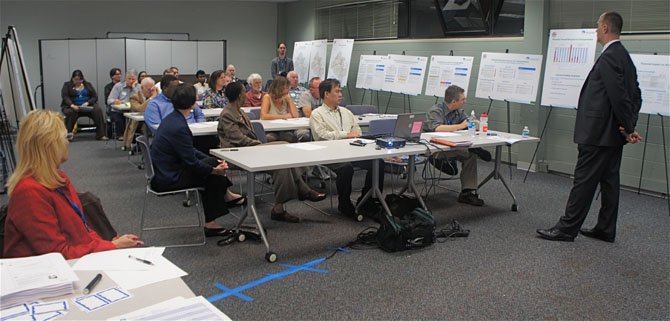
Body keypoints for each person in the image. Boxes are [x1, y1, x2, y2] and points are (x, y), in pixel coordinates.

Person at [537, 12, 642, 243]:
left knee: (583, 181)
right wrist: (627, 127)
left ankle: (566, 229)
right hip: (612, 135)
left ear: (605, 28)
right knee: (609, 182)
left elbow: (619, 97)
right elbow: (635, 95)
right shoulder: (623, 56)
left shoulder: (610, 57)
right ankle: (605, 228)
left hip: (597, 134)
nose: (595, 30)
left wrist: (628, 125)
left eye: (597, 26)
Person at [3, 110, 143, 259]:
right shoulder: (29, 192)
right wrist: (111, 246)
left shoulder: (58, 179)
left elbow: (83, 231)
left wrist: (106, 244)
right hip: (46, 273)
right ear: (49, 145)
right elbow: (58, 254)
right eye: (65, 137)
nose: (67, 142)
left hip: (72, 262)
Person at [218, 82, 326, 223]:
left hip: (250, 149)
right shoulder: (227, 113)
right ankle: (300, 191)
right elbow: (236, 138)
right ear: (240, 95)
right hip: (237, 152)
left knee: (285, 151)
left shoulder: (240, 110)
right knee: (281, 157)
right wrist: (259, 145)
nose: (247, 94)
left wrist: (258, 146)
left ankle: (281, 207)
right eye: (245, 92)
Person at [150, 84, 245, 237]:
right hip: (168, 177)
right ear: (192, 102)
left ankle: (224, 199)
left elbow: (189, 151)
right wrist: (215, 170)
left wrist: (210, 161)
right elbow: (191, 163)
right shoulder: (179, 126)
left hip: (165, 170)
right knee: (212, 175)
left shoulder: (173, 119)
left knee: (212, 163)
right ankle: (212, 221)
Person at [309, 78, 384, 220]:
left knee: (378, 163)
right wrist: (346, 135)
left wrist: (351, 135)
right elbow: (322, 135)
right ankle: (344, 203)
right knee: (346, 168)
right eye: (337, 91)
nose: (340, 94)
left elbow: (357, 130)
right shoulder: (317, 114)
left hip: (352, 150)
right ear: (326, 94)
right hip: (329, 153)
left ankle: (368, 200)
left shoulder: (346, 112)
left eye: (341, 91)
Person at [423, 85, 491, 206]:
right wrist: (461, 126)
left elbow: (468, 122)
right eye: (463, 99)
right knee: (469, 152)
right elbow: (437, 128)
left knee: (471, 155)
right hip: (435, 149)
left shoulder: (458, 112)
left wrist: (476, 123)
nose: (465, 101)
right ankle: (440, 162)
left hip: (453, 147)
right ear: (454, 102)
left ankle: (467, 192)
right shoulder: (435, 111)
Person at [60, 70, 107, 141]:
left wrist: (88, 103)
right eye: (76, 79)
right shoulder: (67, 85)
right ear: (72, 79)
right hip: (73, 107)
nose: (78, 81)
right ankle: (68, 135)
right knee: (70, 113)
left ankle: (101, 135)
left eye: (80, 79)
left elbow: (94, 97)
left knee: (97, 110)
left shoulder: (88, 85)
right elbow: (65, 97)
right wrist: (72, 105)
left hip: (87, 106)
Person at [260, 77, 310, 142]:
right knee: (271, 138)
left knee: (297, 135)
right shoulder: (267, 97)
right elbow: (264, 116)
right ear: (279, 88)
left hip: (286, 129)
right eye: (286, 88)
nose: (288, 90)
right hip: (272, 130)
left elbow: (295, 115)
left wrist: (289, 100)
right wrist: (284, 116)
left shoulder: (286, 98)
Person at [122, 77, 158, 150]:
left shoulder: (157, 95)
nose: (151, 92)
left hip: (154, 120)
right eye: (149, 90)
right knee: (145, 126)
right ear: (142, 88)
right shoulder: (134, 97)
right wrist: (152, 98)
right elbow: (140, 109)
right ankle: (146, 148)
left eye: (152, 90)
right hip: (138, 123)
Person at [107, 69, 140, 139]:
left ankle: (134, 135)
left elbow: (141, 100)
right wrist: (115, 101)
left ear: (137, 79)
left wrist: (134, 88)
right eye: (129, 79)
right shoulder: (118, 86)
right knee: (119, 116)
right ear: (125, 78)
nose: (131, 81)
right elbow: (109, 100)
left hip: (133, 110)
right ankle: (122, 135)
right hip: (118, 110)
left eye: (133, 79)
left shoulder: (139, 87)